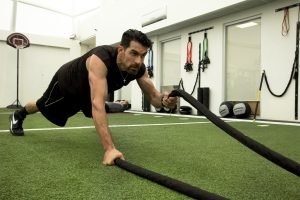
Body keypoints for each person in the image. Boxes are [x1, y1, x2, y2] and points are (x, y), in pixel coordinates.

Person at [9, 29, 177, 166]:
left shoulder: (138, 69)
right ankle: (19, 114)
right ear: (121, 50)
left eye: (143, 55)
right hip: (67, 83)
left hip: (88, 93)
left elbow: (154, 97)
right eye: (133, 53)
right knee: (44, 105)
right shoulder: (101, 59)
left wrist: (165, 101)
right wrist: (109, 149)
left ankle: (110, 105)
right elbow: (97, 103)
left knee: (93, 110)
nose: (138, 61)